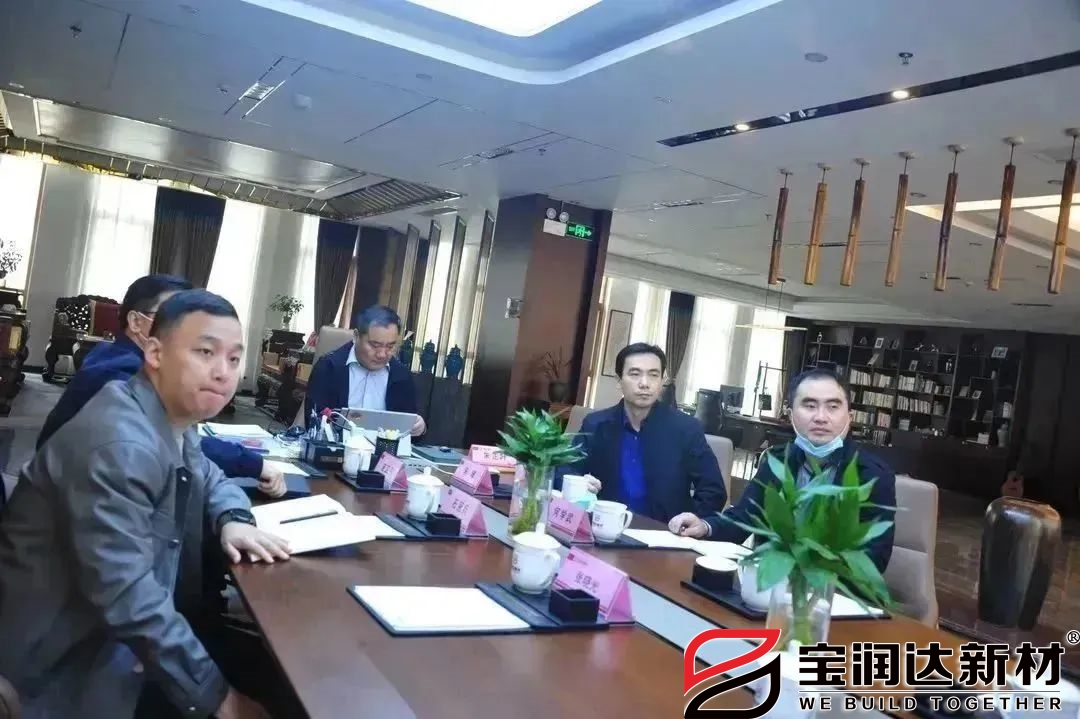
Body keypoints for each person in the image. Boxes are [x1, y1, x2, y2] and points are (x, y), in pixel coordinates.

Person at [0, 289, 291, 719]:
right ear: (154, 352)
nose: (223, 372)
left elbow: (209, 474)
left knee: (283, 670)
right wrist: (220, 699)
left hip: (126, 635)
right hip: (71, 666)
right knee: (286, 688)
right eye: (205, 352)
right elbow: (128, 596)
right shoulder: (119, 443)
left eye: (234, 359)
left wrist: (234, 518)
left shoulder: (166, 413)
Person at [37, 274, 286, 498]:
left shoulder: (116, 353)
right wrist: (254, 464)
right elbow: (171, 444)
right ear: (136, 322)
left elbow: (186, 447)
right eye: (170, 315)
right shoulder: (121, 373)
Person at [668, 368, 897, 573]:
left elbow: (873, 559)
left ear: (849, 417)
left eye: (833, 407)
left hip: (829, 594)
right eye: (809, 406)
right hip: (767, 585)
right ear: (790, 414)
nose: (820, 417)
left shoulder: (871, 475)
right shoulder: (777, 460)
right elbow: (745, 516)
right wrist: (705, 526)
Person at [556, 343, 727, 522]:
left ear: (662, 381)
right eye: (635, 374)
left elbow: (713, 491)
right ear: (619, 381)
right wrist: (578, 482)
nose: (644, 384)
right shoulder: (596, 424)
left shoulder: (686, 428)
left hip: (664, 532)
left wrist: (690, 522)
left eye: (653, 375)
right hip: (604, 526)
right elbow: (563, 470)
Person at [304, 304, 426, 436]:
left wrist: (419, 428)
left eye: (390, 347)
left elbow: (410, 428)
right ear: (356, 336)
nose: (382, 354)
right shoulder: (328, 368)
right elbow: (313, 421)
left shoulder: (401, 376)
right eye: (375, 345)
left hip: (385, 448)